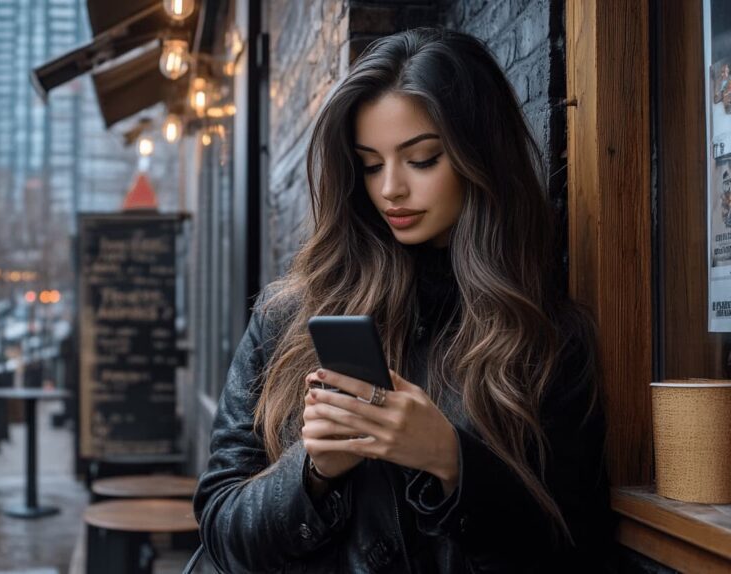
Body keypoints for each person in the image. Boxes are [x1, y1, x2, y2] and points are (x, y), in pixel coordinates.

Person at [192, 28, 614, 573]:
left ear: (480, 157)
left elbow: (576, 549)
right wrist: (313, 471)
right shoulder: (289, 315)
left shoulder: (547, 338)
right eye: (370, 164)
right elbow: (220, 528)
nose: (389, 188)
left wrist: (451, 460)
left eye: (421, 159)